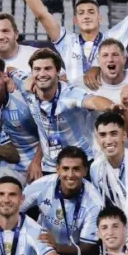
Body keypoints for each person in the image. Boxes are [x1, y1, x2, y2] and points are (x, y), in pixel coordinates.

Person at [11, 48, 113, 181]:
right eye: (37, 69)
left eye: (48, 69)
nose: (42, 74)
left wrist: (112, 106)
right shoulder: (27, 85)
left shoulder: (70, 93)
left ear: (58, 72)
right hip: (50, 166)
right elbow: (10, 70)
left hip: (80, 163)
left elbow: (93, 101)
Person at [22, 148, 103, 255]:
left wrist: (56, 247)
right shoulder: (41, 185)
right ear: (58, 169)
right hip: (41, 247)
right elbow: (14, 210)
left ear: (85, 171)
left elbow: (87, 248)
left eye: (76, 169)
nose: (70, 175)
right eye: (65, 169)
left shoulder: (95, 202)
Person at [0, 56, 40, 180]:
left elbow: (47, 132)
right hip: (9, 161)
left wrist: (36, 162)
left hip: (36, 156)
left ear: (4, 77)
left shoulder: (23, 100)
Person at [88, 39, 128, 112]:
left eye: (115, 55)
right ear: (98, 61)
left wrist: (124, 103)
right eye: (105, 55)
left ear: (124, 59)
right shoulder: (87, 82)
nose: (110, 59)